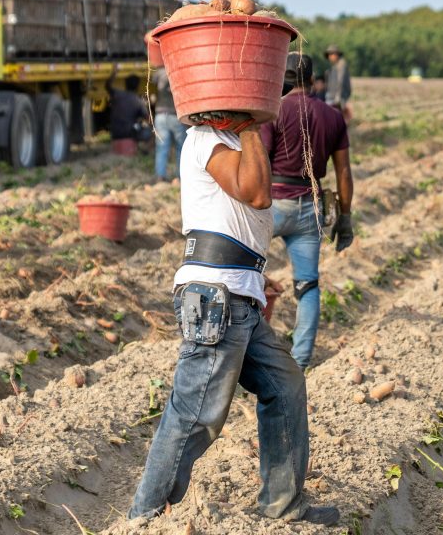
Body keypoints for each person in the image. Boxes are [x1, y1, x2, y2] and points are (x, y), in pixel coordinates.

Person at [127, 108, 339, 526]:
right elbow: (256, 194)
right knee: (195, 413)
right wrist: (252, 128)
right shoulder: (208, 137)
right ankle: (144, 518)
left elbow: (237, 219)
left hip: (237, 293)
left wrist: (255, 276)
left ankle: (283, 503)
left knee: (285, 384)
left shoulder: (231, 140)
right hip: (217, 298)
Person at [260, 53, 354, 370]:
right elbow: (343, 173)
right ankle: (300, 361)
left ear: (281, 78)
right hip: (310, 208)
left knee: (242, 273)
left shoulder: (273, 112)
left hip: (273, 206)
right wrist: (345, 217)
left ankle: (249, 354)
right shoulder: (333, 117)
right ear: (313, 80)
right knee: (308, 285)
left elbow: (260, 164)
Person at [151, 68, 187, 181]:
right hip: (175, 115)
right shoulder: (179, 72)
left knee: (161, 148)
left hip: (160, 116)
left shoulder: (159, 73)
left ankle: (160, 176)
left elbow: (152, 85)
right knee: (180, 148)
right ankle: (180, 177)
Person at [108, 74, 148, 154]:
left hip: (114, 133)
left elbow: (107, 86)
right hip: (129, 134)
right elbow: (147, 117)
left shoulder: (117, 95)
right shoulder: (138, 101)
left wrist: (114, 73)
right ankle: (144, 150)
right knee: (147, 130)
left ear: (125, 84)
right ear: (138, 86)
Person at [324, 45, 353, 121]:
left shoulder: (341, 64)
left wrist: (338, 97)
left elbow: (341, 81)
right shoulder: (334, 67)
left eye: (331, 54)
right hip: (333, 96)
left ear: (336, 54)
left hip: (338, 97)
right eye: (329, 55)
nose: (330, 57)